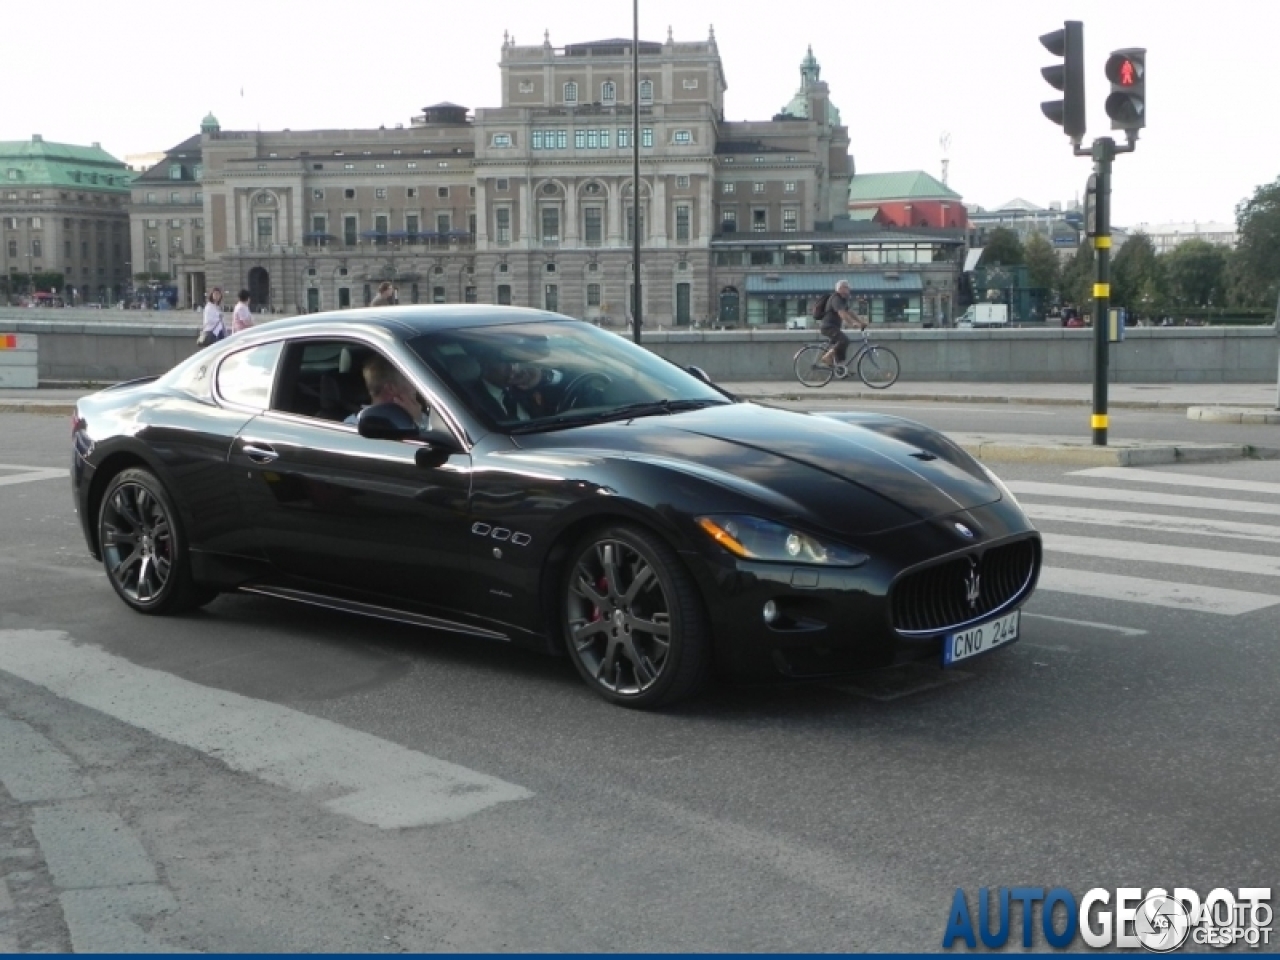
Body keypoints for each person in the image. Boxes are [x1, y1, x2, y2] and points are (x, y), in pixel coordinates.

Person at [345, 355, 430, 433]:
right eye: (411, 381)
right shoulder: (353, 426)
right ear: (391, 389)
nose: (416, 388)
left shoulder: (416, 413)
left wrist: (419, 419)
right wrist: (419, 422)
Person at [818, 279, 866, 367]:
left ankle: (840, 366)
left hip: (834, 327)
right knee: (844, 340)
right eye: (847, 288)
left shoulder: (842, 299)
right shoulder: (836, 298)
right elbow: (842, 313)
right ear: (841, 289)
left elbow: (850, 312)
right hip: (828, 327)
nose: (849, 290)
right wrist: (852, 323)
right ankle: (827, 357)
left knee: (842, 344)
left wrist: (860, 322)